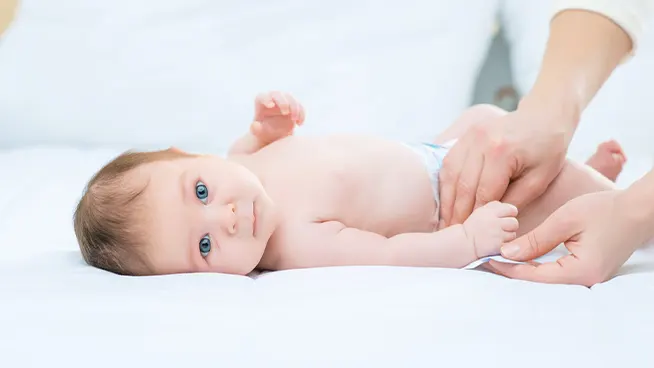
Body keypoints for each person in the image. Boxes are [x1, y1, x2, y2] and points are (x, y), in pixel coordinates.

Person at [73, 91, 621, 276]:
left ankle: (585, 171)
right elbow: (390, 253)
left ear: (186, 155)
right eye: (205, 246)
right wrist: (468, 241)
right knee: (561, 196)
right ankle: (607, 190)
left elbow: (254, 147)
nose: (228, 217)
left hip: (432, 152)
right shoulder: (294, 244)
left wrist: (271, 128)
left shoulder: (239, 162)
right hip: (457, 199)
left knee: (483, 115)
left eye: (199, 192)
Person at [437, 0, 654, 286]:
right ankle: (589, 187)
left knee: (510, 189)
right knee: (522, 198)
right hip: (435, 188)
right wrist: (548, 116)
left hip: (438, 179)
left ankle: (599, 194)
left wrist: (635, 210)